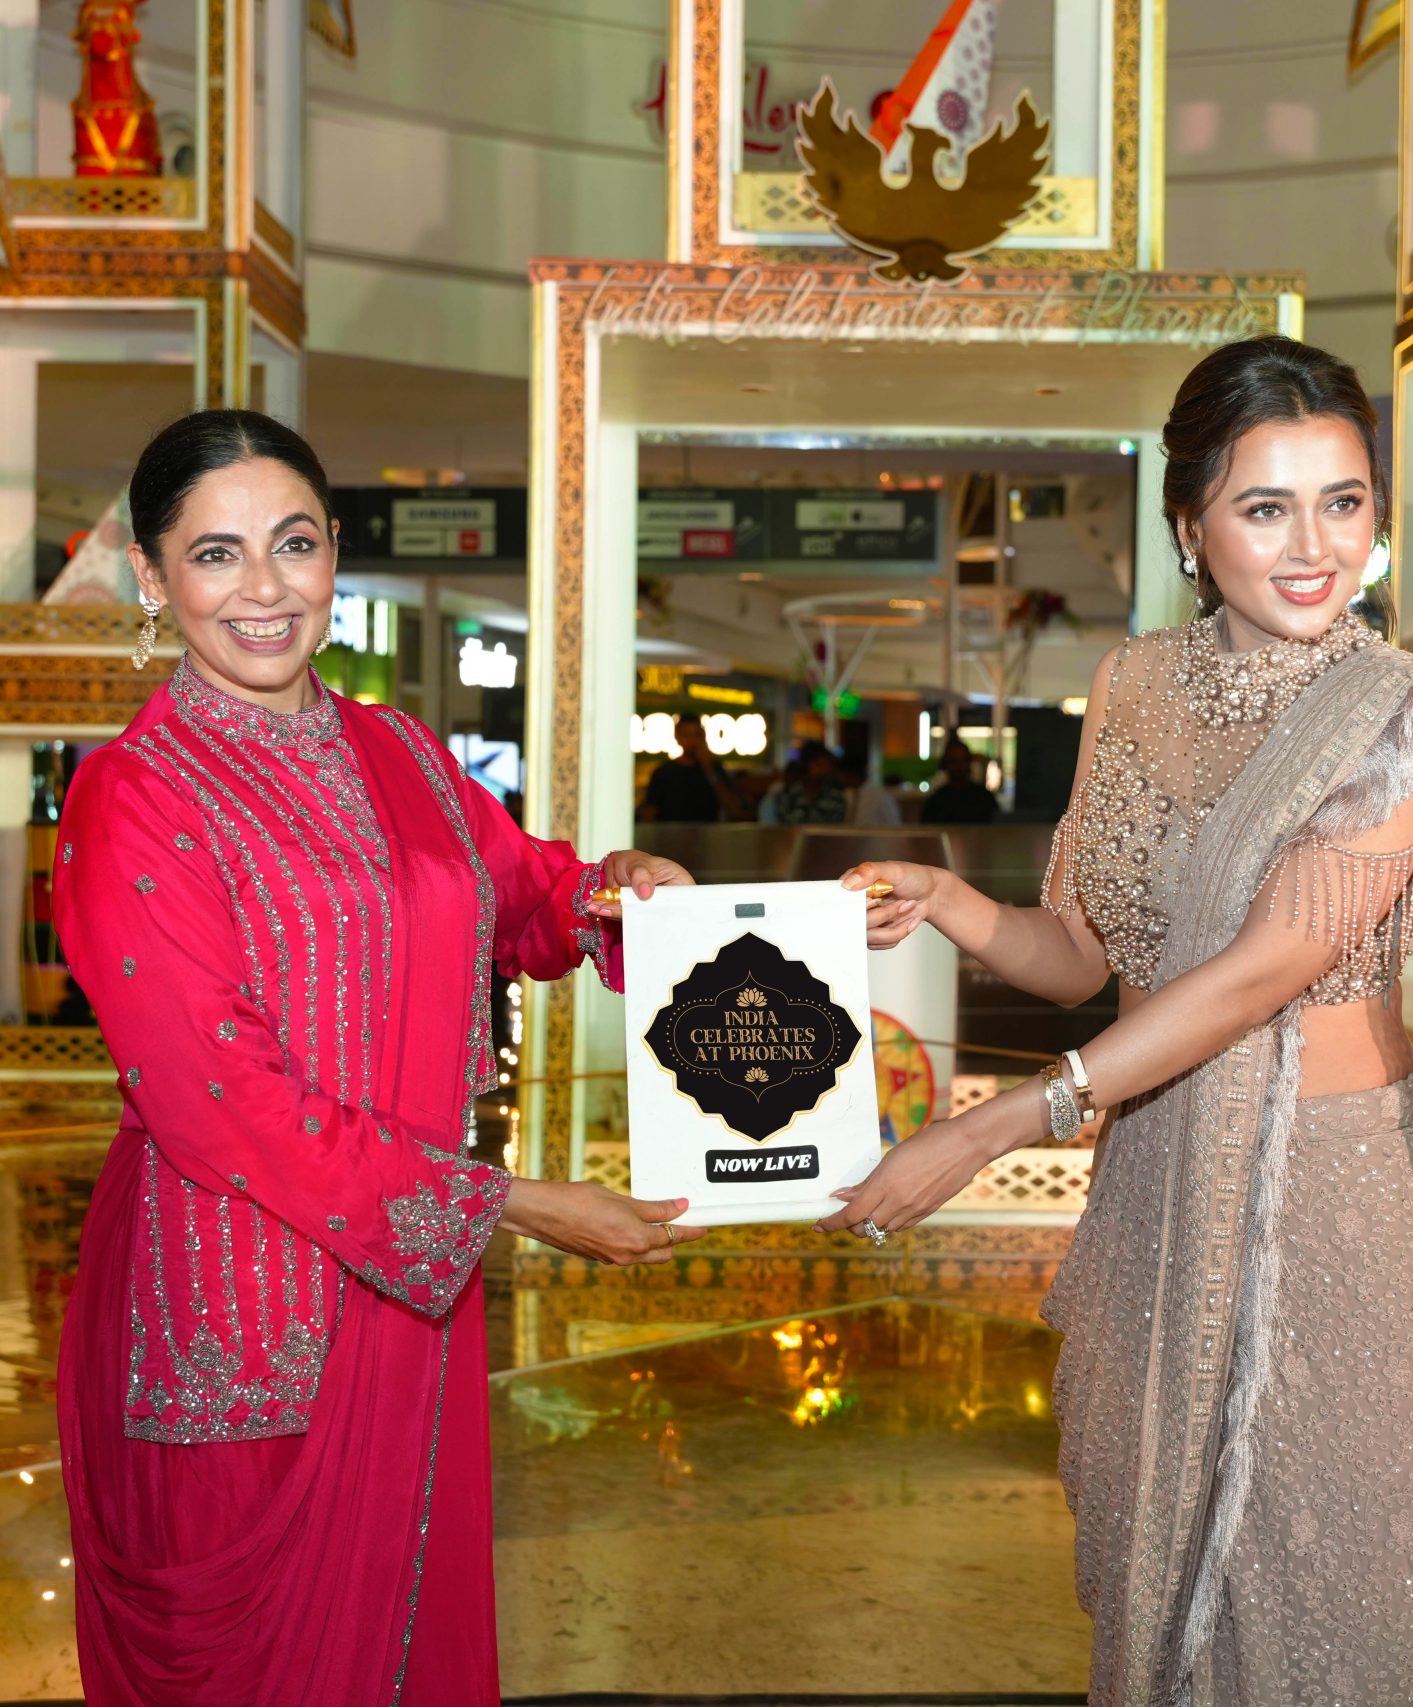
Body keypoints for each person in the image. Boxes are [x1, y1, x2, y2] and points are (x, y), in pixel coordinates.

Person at [829, 338, 1413, 1703]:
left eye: (1343, 502)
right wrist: (949, 899)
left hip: (1338, 1212)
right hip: (1157, 1191)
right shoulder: (1131, 687)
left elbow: (1256, 974)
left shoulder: (1397, 714)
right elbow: (1083, 957)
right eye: (1265, 507)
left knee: (1331, 1604)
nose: (1315, 547)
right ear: (1189, 525)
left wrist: (994, 1126)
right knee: (1164, 1598)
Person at [51, 409, 704, 1706]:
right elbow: (218, 1100)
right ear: (152, 577)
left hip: (405, 1293)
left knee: (411, 1638)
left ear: (336, 551)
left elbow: (522, 894)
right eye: (217, 554)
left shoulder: (397, 748)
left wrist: (613, 889)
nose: (264, 587)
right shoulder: (135, 795)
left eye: (292, 544)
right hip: (238, 1310)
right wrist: (513, 1202)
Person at [640, 715, 731, 823]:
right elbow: (650, 811)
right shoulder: (664, 772)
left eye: (696, 735)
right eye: (686, 735)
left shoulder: (714, 768)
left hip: (706, 831)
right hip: (671, 832)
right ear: (677, 737)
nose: (692, 741)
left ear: (703, 737)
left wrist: (709, 769)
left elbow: (732, 807)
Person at [756, 740, 851, 825]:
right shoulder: (787, 797)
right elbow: (782, 830)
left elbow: (835, 830)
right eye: (819, 764)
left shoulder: (835, 797)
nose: (823, 769)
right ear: (806, 765)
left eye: (826, 764)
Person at [918, 737, 999, 825]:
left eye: (963, 760)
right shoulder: (935, 802)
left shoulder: (984, 798)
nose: (959, 766)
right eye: (954, 761)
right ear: (945, 764)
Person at [840, 750, 904, 826]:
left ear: (850, 774)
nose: (839, 778)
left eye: (841, 775)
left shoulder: (881, 797)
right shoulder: (845, 795)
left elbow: (894, 827)